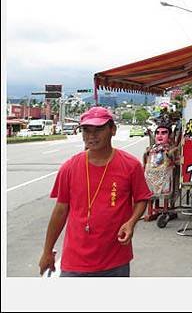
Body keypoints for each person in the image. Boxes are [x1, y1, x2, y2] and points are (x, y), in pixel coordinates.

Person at [38, 106, 152, 277]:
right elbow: (60, 211)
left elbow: (142, 198)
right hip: (75, 262)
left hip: (115, 260)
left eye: (98, 129)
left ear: (112, 130)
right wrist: (47, 251)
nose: (91, 136)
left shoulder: (130, 165)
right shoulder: (70, 167)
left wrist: (131, 222)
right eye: (86, 130)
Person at [142, 119, 178, 221]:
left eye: (164, 133)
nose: (160, 135)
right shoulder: (150, 149)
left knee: (166, 185)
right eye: (157, 133)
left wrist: (170, 155)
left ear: (169, 136)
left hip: (165, 176)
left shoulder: (172, 149)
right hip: (151, 177)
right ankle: (151, 210)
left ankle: (166, 210)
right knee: (149, 188)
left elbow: (177, 162)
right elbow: (145, 162)